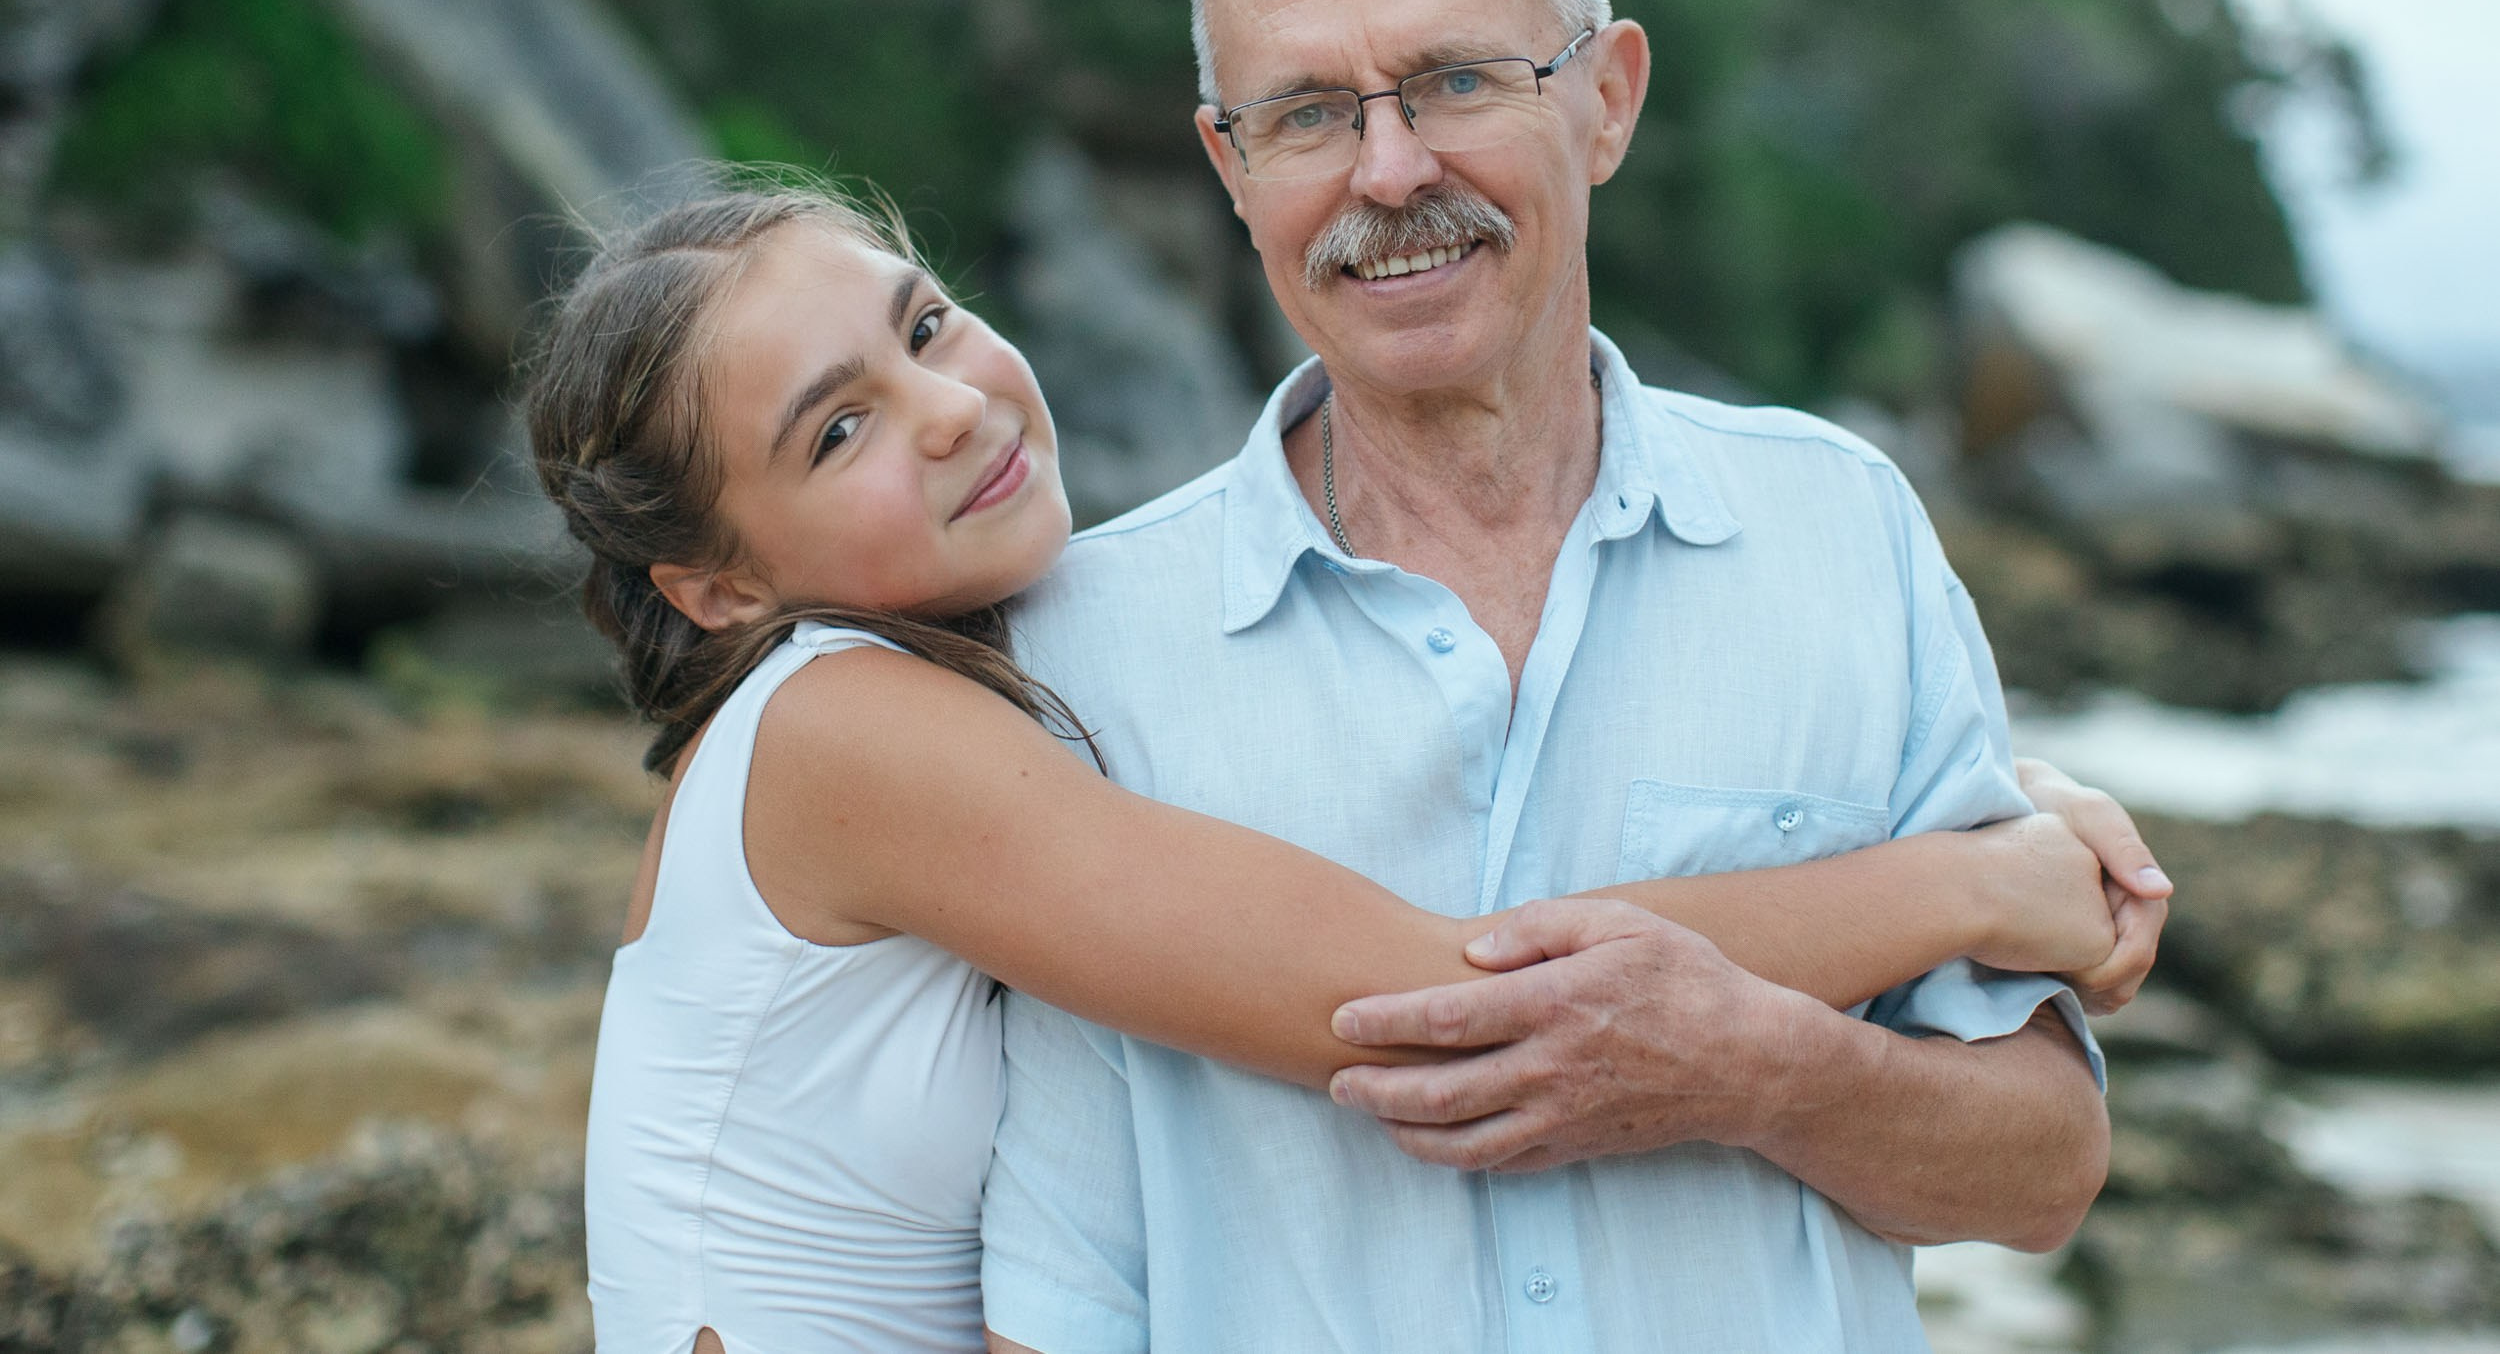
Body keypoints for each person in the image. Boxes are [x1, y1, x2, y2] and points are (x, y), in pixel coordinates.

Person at [529, 183, 2148, 1354]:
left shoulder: (953, 693)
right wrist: (1973, 884)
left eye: (927, 326)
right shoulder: (843, 729)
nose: (949, 410)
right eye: (836, 431)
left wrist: (2017, 791)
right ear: (715, 587)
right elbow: (1454, 992)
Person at [975, 0, 2171, 1353]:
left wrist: (1756, 1070)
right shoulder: (1087, 646)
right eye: (1309, 114)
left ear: (1607, 99)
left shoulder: (1844, 532)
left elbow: (2042, 1172)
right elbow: (1062, 1294)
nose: (1389, 172)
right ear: (1230, 161)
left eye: (1456, 82)